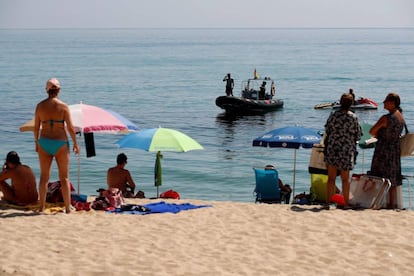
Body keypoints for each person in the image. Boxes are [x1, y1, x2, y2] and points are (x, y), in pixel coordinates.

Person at [34, 78, 80, 213]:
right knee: (64, 177)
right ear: (58, 90)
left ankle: (41, 207)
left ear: (47, 90)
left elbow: (36, 127)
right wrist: (76, 143)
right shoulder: (64, 106)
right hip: (60, 143)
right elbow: (71, 128)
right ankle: (67, 208)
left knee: (44, 177)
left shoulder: (40, 106)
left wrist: (36, 142)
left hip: (44, 142)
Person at [324, 93, 362, 208]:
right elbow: (358, 135)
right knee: (345, 180)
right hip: (346, 150)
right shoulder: (353, 117)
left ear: (340, 102)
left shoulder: (333, 115)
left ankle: (328, 203)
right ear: (351, 104)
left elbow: (327, 129)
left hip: (333, 149)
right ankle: (346, 203)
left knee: (331, 179)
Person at [369, 93, 404, 209]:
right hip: (394, 149)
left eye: (386, 101)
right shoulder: (400, 116)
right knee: (392, 178)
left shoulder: (386, 118)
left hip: (383, 149)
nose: (383, 102)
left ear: (392, 103)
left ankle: (375, 202)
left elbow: (372, 131)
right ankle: (392, 204)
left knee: (378, 176)